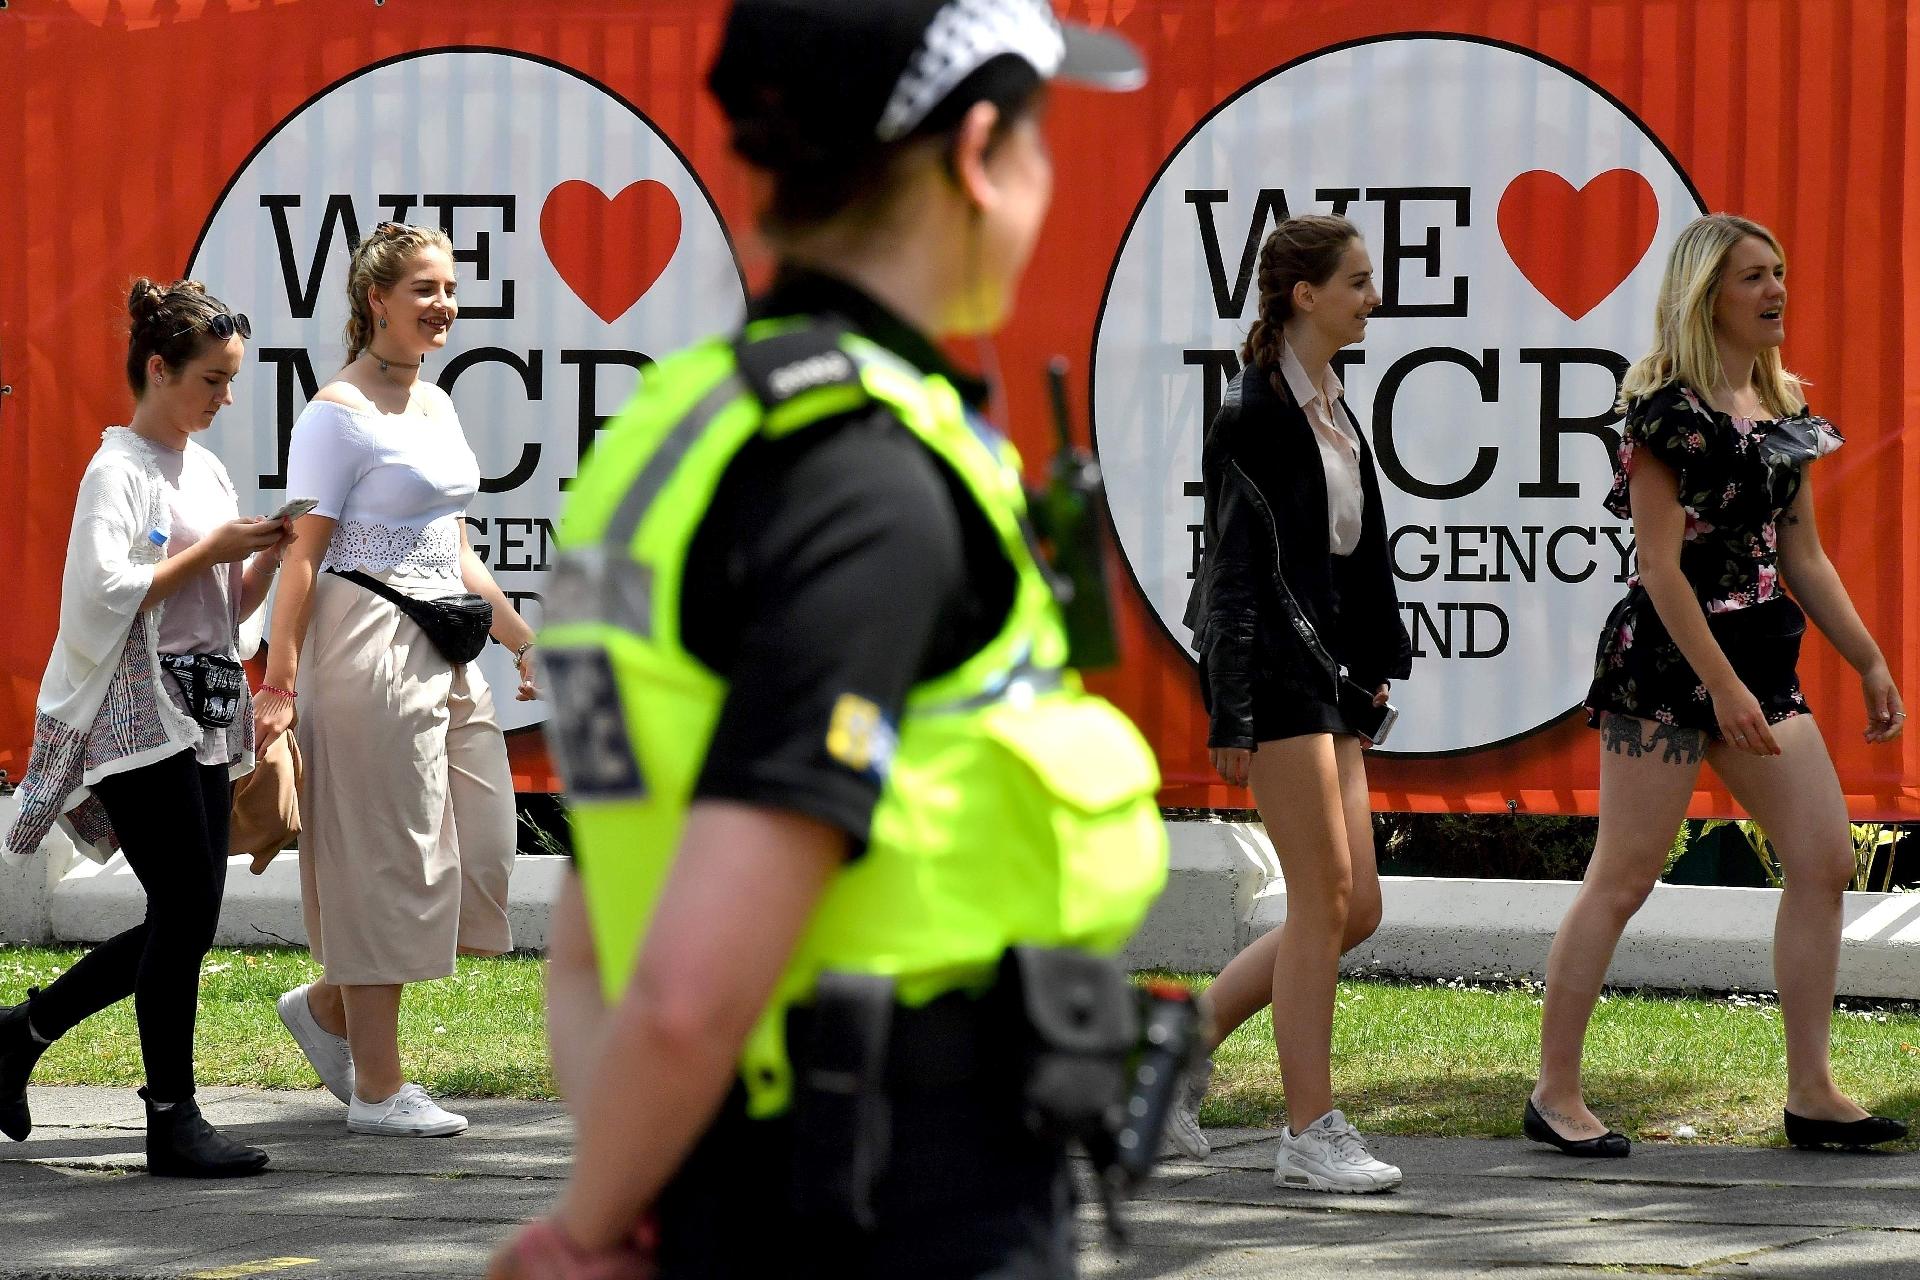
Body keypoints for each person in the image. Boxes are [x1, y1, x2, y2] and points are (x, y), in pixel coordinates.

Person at [488, 2, 1168, 1276]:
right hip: (898, 1204)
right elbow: (691, 985)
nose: (1044, 174)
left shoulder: (677, 432)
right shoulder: (868, 480)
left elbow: (600, 920)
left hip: (733, 1175)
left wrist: (637, 1182)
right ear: (978, 153)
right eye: (1038, 138)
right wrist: (575, 1237)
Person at [1528, 212, 1908, 1157]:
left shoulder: (1785, 417)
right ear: (1708, 296)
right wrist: (1724, 690)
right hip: (1665, 667)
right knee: (1623, 878)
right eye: (1752, 278)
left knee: (1822, 860)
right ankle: (1553, 1096)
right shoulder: (1664, 416)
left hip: (1762, 664)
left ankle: (1814, 1093)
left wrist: (1866, 659)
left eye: (1779, 272)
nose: (1776, 290)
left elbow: (1804, 556)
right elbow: (1659, 571)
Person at [0, 279, 290, 1176]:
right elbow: (102, 594)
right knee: (189, 909)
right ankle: (170, 1117)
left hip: (196, 708)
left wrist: (268, 557)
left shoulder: (202, 468)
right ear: (158, 369)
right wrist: (213, 550)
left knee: (186, 912)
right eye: (211, 379)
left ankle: (25, 1033)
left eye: (231, 379)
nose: (224, 397)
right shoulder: (117, 469)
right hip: (133, 713)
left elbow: (222, 609)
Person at [256, 221, 538, 1138]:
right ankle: (378, 1089)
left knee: (483, 851)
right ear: (374, 300)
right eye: (422, 288)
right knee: (389, 862)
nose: (442, 304)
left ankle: (332, 1007)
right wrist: (278, 682)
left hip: (448, 643)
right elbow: (301, 558)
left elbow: (454, 546)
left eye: (448, 288)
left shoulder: (439, 404)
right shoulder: (336, 413)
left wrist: (518, 633)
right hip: (365, 642)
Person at [1174, 216, 1413, 1193]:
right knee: (1323, 903)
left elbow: (1343, 555)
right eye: (1357, 281)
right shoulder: (1255, 413)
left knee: (1356, 906)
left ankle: (1166, 1060)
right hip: (1273, 678)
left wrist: (1371, 662)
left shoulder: (1332, 402)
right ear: (1303, 294)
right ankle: (1308, 1131)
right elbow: (1234, 573)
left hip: (1329, 680)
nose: (1373, 296)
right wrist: (1231, 710)